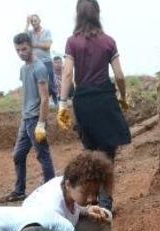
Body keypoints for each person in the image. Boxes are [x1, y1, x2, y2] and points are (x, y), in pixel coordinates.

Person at [57, 0, 131, 212]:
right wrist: (123, 97)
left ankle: (92, 201)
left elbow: (68, 74)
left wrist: (62, 104)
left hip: (83, 101)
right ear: (98, 14)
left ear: (77, 16)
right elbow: (119, 75)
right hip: (105, 99)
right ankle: (106, 204)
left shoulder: (72, 42)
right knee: (108, 153)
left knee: (89, 153)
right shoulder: (109, 42)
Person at [1, 33, 54, 203]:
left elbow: (45, 98)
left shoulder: (39, 68)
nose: (21, 53)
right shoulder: (24, 68)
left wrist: (41, 123)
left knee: (43, 155)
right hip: (26, 119)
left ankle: (51, 191)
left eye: (24, 49)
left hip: (35, 119)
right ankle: (19, 190)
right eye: (18, 50)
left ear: (31, 46)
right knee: (18, 155)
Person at [25, 14, 57, 104]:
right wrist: (27, 24)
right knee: (37, 82)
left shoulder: (47, 31)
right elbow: (23, 38)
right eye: (32, 21)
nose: (34, 23)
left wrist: (34, 45)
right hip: (35, 61)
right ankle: (41, 101)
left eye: (35, 20)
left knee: (50, 81)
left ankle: (54, 99)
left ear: (39, 20)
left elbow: (47, 46)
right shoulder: (30, 33)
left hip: (46, 60)